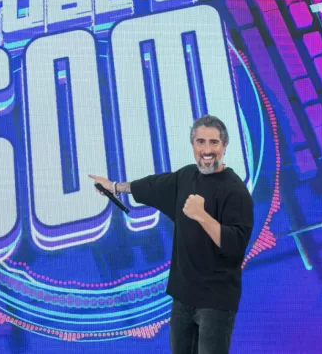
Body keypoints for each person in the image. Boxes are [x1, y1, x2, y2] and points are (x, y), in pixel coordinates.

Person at [89, 115, 254, 354]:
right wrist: (114, 187)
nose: (207, 150)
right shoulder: (186, 176)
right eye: (200, 142)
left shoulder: (235, 191)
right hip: (183, 297)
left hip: (216, 302)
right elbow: (152, 186)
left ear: (225, 146)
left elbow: (235, 245)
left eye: (214, 142)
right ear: (193, 145)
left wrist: (202, 215)